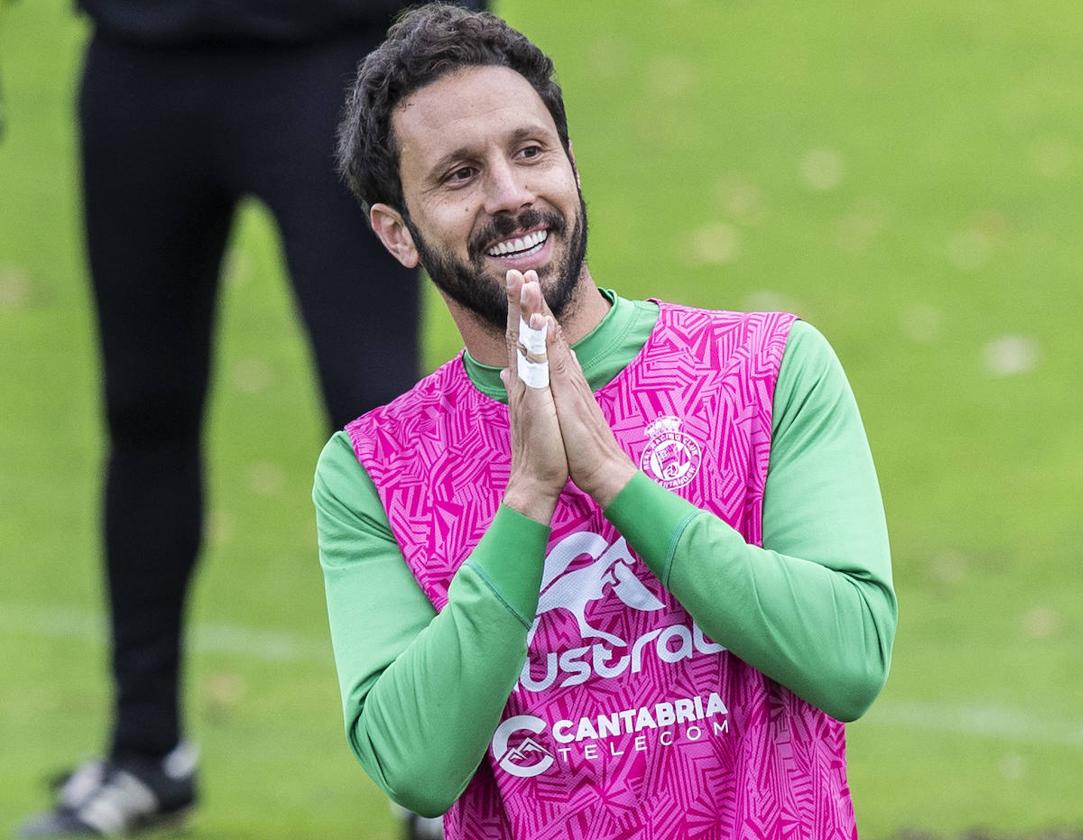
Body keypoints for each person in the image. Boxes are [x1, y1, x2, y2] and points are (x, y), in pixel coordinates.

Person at [315, 5, 898, 839]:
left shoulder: (770, 370)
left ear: (571, 163)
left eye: (529, 151)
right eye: (458, 175)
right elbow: (414, 765)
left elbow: (849, 661)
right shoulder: (371, 470)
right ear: (396, 233)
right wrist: (528, 497)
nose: (511, 196)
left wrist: (614, 479)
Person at [16, 1, 482, 838]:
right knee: (143, 408)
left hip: (333, 63)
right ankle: (145, 751)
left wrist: (459, 57)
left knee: (380, 421)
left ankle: (439, 773)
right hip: (139, 60)